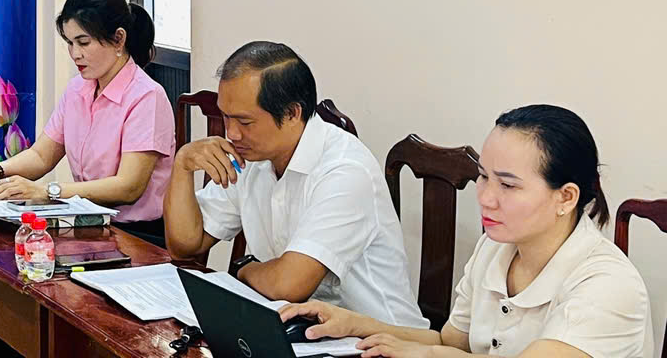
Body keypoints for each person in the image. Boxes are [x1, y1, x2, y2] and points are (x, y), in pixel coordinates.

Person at [280, 105, 653, 358]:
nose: (486, 198)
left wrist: (427, 354)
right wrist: (355, 324)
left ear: (566, 197)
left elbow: (438, 351)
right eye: (483, 177)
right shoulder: (496, 246)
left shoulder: (607, 284)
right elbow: (452, 342)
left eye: (508, 185)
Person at [164, 42, 425, 326]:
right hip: (300, 328)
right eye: (226, 117)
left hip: (376, 338)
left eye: (245, 122)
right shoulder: (251, 157)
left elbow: (289, 285)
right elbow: (185, 246)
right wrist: (183, 165)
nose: (232, 133)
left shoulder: (345, 170)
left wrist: (245, 270)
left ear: (291, 114)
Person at [0, 0, 175, 246]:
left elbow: (128, 186)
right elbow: (42, 155)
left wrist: (48, 192)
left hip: (138, 237)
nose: (75, 54)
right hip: (88, 224)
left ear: (119, 39)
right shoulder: (78, 89)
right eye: (70, 43)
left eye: (83, 43)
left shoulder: (147, 96)